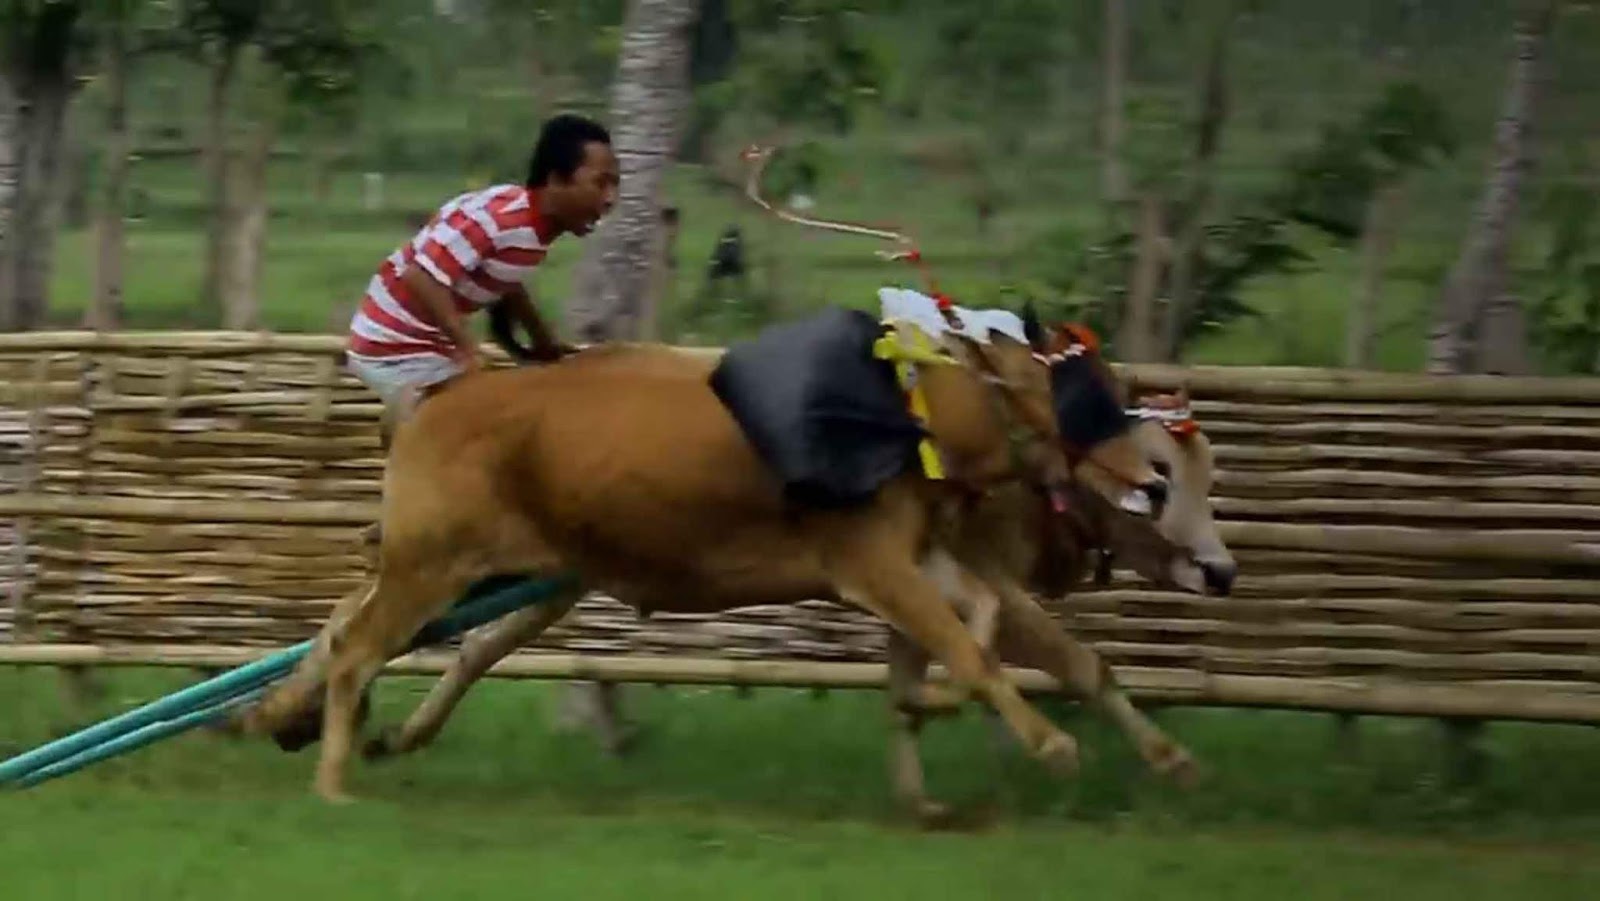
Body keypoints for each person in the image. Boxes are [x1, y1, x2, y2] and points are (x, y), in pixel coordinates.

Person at [344, 112, 620, 428]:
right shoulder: (496, 221)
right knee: (479, 428)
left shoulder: (533, 229)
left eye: (614, 185)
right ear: (556, 180)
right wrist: (468, 351)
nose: (610, 199)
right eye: (600, 184)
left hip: (429, 345)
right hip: (393, 346)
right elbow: (420, 276)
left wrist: (543, 342)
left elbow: (507, 282)